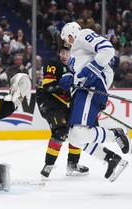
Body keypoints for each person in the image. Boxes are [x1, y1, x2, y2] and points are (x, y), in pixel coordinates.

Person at [59, 22, 132, 182]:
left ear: (71, 35)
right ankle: (111, 158)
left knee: (78, 133)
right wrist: (68, 80)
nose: (68, 43)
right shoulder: (74, 57)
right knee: (75, 137)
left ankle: (116, 134)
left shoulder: (83, 35)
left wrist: (89, 70)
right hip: (82, 92)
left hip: (92, 87)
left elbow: (107, 49)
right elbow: (76, 76)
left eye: (66, 39)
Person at [36, 43, 89, 178]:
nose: (64, 56)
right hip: (48, 100)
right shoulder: (53, 64)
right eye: (62, 53)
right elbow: (48, 86)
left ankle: (72, 163)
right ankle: (48, 165)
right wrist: (68, 87)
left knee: (76, 129)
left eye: (67, 52)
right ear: (59, 53)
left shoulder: (76, 66)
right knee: (60, 131)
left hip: (63, 103)